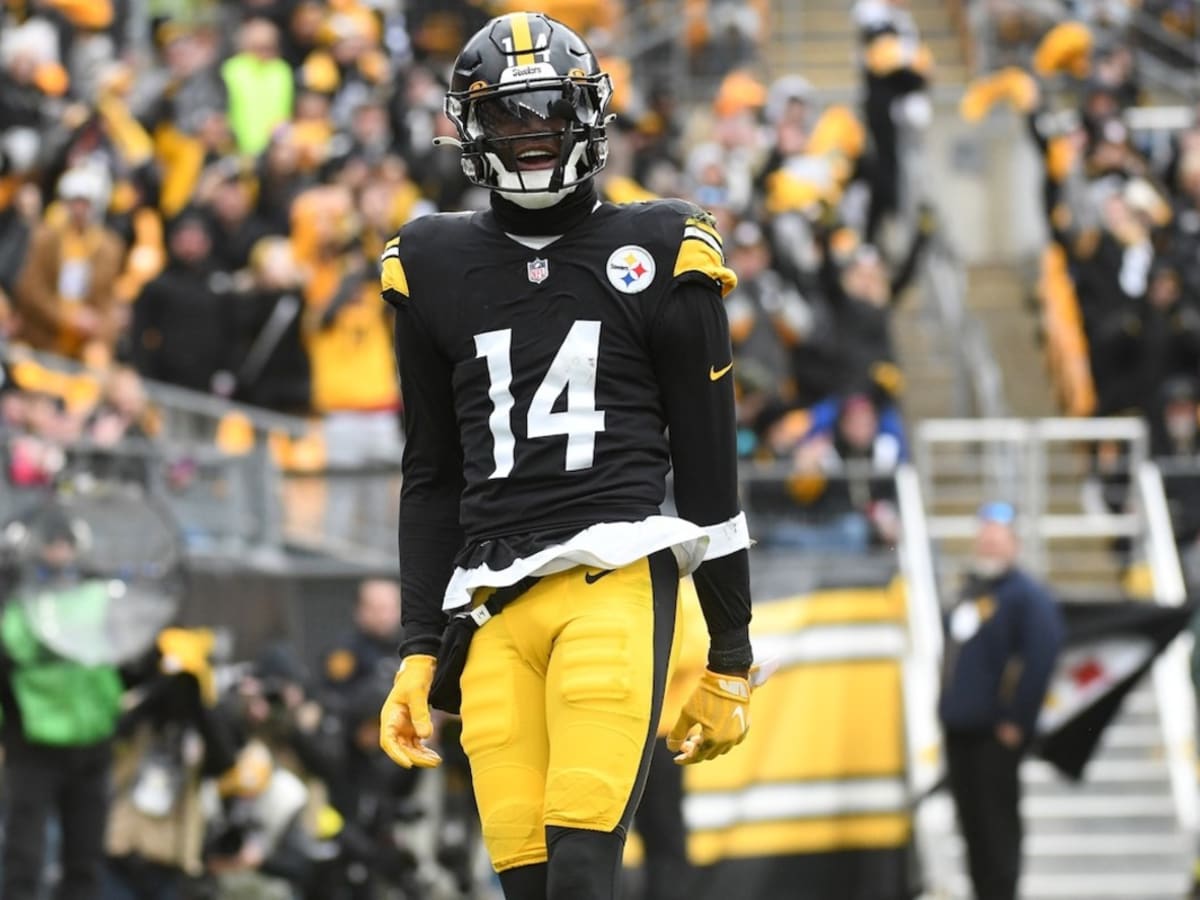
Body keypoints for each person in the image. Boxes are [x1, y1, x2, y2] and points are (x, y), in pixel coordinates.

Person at [377, 13, 758, 900]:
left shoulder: (662, 246)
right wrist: (418, 647)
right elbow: (432, 472)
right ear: (471, 129)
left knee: (583, 874)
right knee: (530, 884)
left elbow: (708, 471)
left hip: (612, 576)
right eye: (509, 117)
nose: (532, 134)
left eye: (548, 112)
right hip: (493, 602)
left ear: (588, 115)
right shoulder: (430, 259)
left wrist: (731, 651)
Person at [939, 502, 1065, 900]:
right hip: (960, 734)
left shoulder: (1026, 596)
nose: (989, 546)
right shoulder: (972, 592)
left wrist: (1017, 720)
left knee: (997, 828)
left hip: (995, 736)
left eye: (997, 539)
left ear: (1014, 544)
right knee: (973, 827)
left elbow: (1043, 655)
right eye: (985, 537)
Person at [322, 578, 403, 700]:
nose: (383, 617)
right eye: (376, 609)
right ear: (360, 611)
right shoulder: (345, 651)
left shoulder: (410, 646)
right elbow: (333, 698)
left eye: (389, 609)